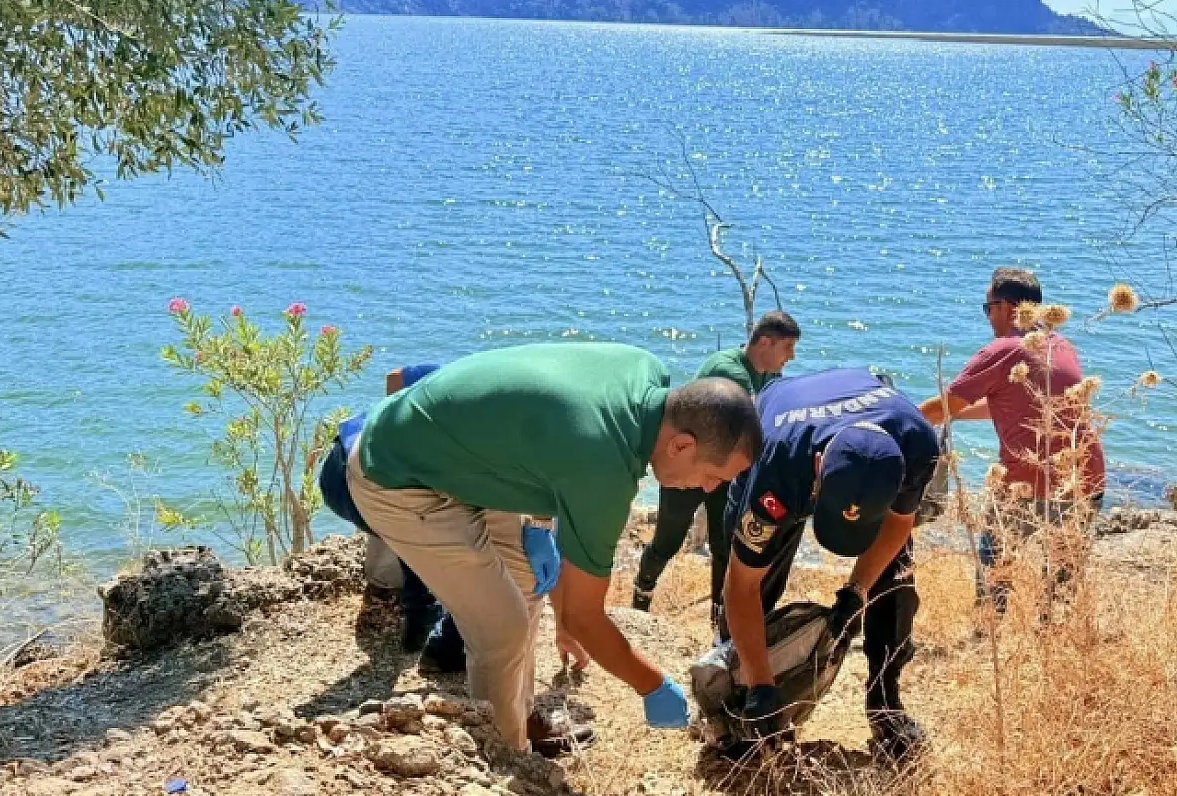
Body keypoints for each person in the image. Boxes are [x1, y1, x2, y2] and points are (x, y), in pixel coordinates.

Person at [346, 342, 762, 755]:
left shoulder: (644, 371)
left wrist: (542, 531)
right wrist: (651, 685)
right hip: (398, 473)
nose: (710, 490)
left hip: (460, 452)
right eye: (712, 475)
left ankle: (517, 717)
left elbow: (547, 428)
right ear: (682, 446)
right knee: (501, 625)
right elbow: (586, 616)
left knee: (527, 580)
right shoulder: (604, 470)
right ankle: (505, 759)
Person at [720, 367, 942, 763]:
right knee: (758, 572)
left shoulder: (916, 443)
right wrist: (762, 685)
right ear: (820, 467)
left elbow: (898, 524)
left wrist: (855, 593)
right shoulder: (776, 467)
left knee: (896, 579)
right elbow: (741, 584)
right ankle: (738, 698)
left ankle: (885, 702)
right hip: (781, 430)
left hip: (860, 425)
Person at [919, 267, 1106, 610]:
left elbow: (938, 408)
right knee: (1061, 589)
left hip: (1031, 480)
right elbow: (1014, 405)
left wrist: (896, 417)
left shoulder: (1002, 350)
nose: (989, 316)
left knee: (994, 560)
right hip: (1087, 477)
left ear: (1005, 307)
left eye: (988, 307)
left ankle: (987, 631)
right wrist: (956, 415)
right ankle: (1054, 645)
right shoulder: (1060, 345)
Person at [632, 311, 802, 622]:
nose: (791, 357)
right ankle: (640, 600)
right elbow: (757, 424)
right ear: (765, 342)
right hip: (688, 468)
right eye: (788, 347)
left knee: (724, 546)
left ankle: (720, 620)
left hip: (723, 473)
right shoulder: (729, 371)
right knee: (667, 542)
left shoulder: (769, 376)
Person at [319, 363, 449, 651]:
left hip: (338, 465)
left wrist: (396, 421)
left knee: (405, 511)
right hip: (360, 479)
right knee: (424, 518)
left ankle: (386, 585)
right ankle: (424, 627)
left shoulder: (450, 377)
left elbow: (395, 377)